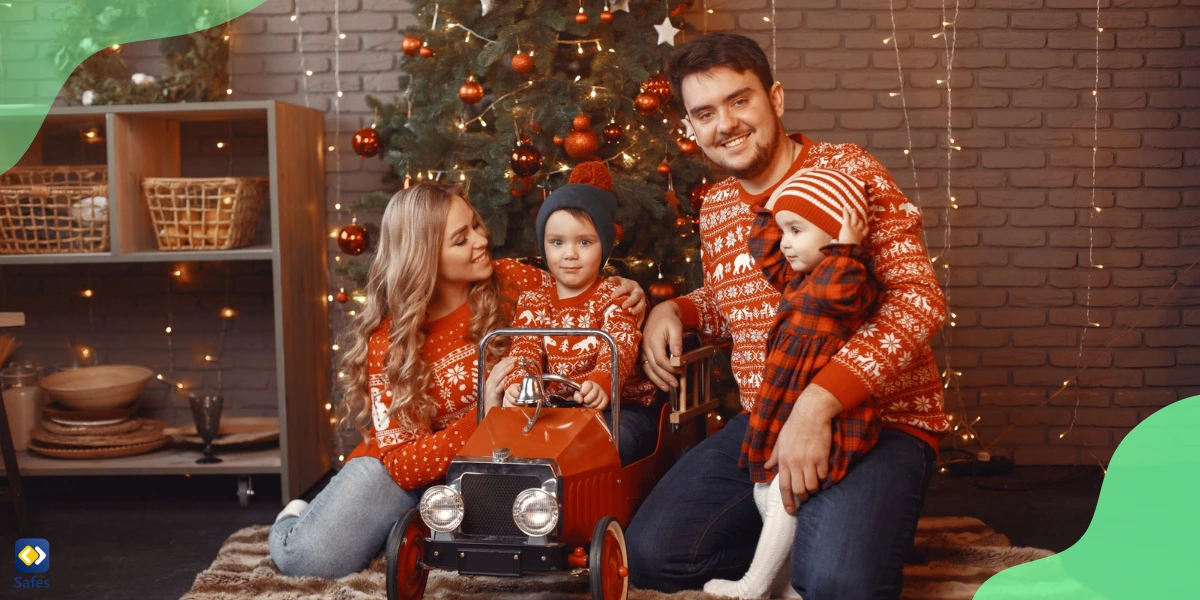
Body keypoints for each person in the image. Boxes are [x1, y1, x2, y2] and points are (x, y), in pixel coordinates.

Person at [628, 33, 951, 599]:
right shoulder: (718, 206)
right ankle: (792, 541)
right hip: (766, 419)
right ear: (690, 127)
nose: (725, 124)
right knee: (654, 556)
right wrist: (673, 307)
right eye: (704, 113)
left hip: (877, 419)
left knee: (835, 583)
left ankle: (827, 542)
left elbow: (917, 298)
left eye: (739, 100)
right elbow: (733, 304)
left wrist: (818, 402)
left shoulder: (846, 169)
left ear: (774, 99)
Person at [268, 183, 646, 579]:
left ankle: (405, 528)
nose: (483, 240)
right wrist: (484, 415)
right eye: (462, 238)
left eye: (476, 226)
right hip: (405, 472)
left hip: (500, 464)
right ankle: (297, 516)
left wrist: (630, 293)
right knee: (307, 560)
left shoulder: (514, 282)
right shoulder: (390, 340)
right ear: (425, 254)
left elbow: (585, 296)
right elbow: (400, 463)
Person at [704, 169, 884, 599]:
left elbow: (842, 281)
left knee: (784, 494)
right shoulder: (799, 280)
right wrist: (774, 209)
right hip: (780, 403)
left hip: (809, 409)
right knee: (764, 495)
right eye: (783, 230)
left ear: (836, 233)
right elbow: (766, 251)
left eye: (797, 230)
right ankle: (784, 586)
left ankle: (753, 586)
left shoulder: (848, 276)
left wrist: (847, 243)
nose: (785, 242)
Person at [495, 162, 660, 466]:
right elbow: (525, 349)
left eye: (584, 242)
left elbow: (621, 345)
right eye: (557, 242)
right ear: (544, 246)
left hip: (617, 408)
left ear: (604, 248)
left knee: (610, 439)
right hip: (555, 409)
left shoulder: (612, 295)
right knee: (508, 440)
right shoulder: (534, 300)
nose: (570, 254)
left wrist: (601, 381)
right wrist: (518, 383)